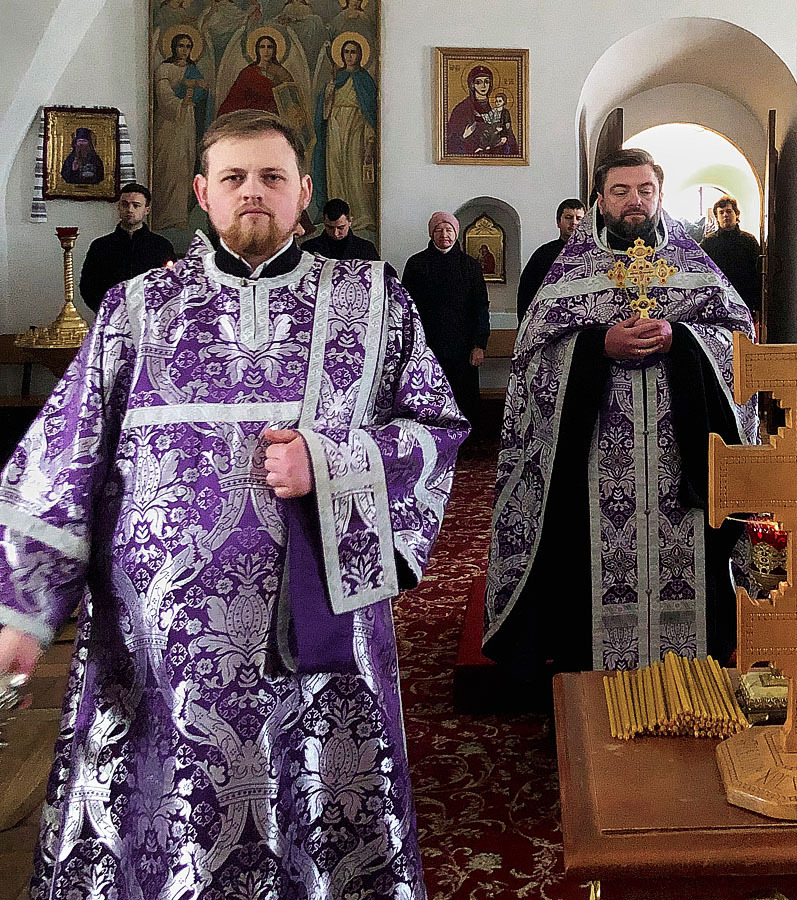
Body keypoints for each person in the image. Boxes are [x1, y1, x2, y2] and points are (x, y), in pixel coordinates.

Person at [0, 109, 468, 899]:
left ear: (304, 192)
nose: (254, 191)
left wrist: (332, 460)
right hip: (156, 654)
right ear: (203, 193)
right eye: (235, 177)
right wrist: (23, 607)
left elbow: (438, 429)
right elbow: (63, 455)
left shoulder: (372, 299)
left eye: (272, 176)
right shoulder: (134, 308)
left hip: (318, 641)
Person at [484, 148, 758, 676]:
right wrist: (597, 346)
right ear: (600, 199)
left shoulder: (693, 265)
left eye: (645, 190)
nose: (635, 201)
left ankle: (688, 677)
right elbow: (532, 358)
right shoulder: (571, 272)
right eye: (621, 191)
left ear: (660, 194)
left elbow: (740, 341)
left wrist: (684, 338)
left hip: (681, 459)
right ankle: (592, 684)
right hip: (593, 461)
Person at [402, 211, 490, 426]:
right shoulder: (416, 264)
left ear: (456, 233)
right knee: (429, 400)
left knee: (464, 401)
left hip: (464, 347)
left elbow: (480, 307)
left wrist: (479, 344)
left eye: (448, 230)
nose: (444, 235)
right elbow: (406, 308)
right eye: (439, 230)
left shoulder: (470, 265)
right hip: (427, 347)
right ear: (431, 234)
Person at [312, 36, 378, 236]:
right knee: (336, 169)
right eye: (347, 52)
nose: (350, 56)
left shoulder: (365, 80)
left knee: (354, 170)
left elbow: (370, 111)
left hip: (356, 127)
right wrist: (330, 87)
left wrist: (370, 138)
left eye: (353, 52)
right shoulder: (337, 77)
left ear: (360, 55)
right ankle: (336, 216)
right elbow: (325, 110)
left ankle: (361, 215)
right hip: (335, 128)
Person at [78, 182, 176, 313]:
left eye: (136, 205)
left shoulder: (161, 246)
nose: (130, 210)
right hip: (111, 316)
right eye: (125, 204)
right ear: (119, 207)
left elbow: (170, 284)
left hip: (150, 316)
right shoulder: (100, 246)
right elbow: (88, 286)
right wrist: (107, 311)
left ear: (146, 210)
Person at [152, 30, 210, 231]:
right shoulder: (164, 69)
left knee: (184, 164)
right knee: (169, 164)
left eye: (188, 46)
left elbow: (203, 93)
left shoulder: (193, 70)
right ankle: (164, 216)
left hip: (187, 121)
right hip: (169, 123)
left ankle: (179, 215)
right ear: (173, 47)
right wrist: (180, 102)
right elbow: (164, 96)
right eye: (181, 46)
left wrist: (197, 91)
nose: (184, 50)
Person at [516, 198, 585, 321]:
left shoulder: (591, 253)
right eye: (568, 217)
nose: (574, 222)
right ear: (558, 222)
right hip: (549, 320)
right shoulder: (543, 254)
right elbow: (526, 291)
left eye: (579, 218)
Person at [700, 195, 762, 322]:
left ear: (736, 214)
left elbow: (758, 275)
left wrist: (757, 306)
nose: (725, 215)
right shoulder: (708, 243)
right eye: (721, 212)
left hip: (745, 299)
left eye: (729, 211)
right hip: (719, 301)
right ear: (717, 217)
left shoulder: (749, 241)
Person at [301, 197, 379, 260]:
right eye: (330, 227)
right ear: (323, 221)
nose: (335, 233)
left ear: (350, 221)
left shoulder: (366, 249)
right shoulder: (308, 248)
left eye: (341, 228)